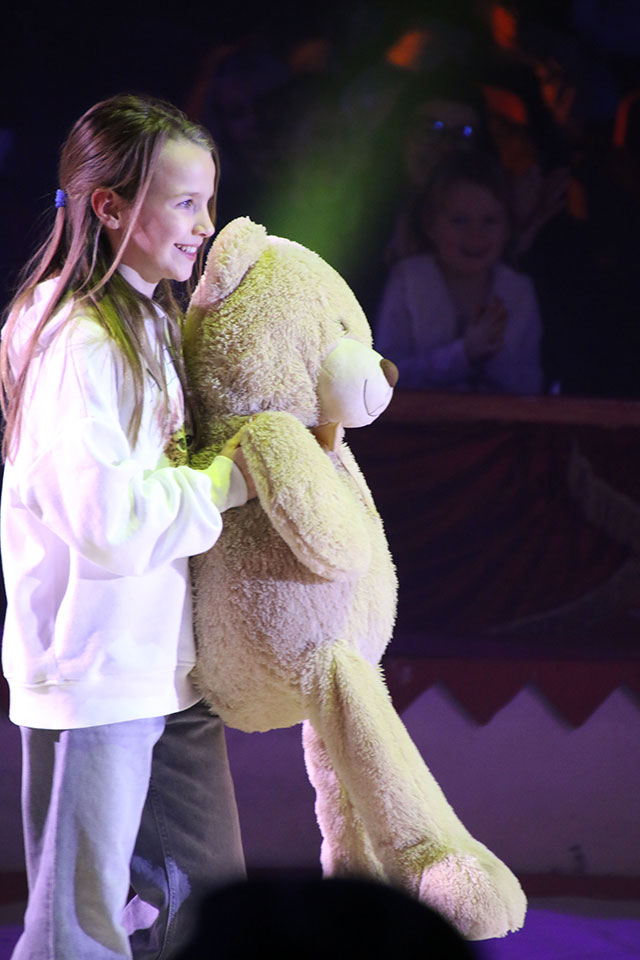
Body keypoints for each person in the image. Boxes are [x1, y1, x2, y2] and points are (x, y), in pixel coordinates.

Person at [0, 93, 255, 960]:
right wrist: (229, 482)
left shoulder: (149, 315)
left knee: (205, 912)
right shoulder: (73, 338)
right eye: (185, 203)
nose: (204, 226)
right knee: (78, 932)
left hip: (166, 671)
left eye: (208, 202)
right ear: (110, 208)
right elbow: (106, 520)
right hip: (99, 674)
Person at [375, 150, 543, 394]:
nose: (475, 235)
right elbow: (385, 375)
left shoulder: (517, 291)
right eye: (459, 220)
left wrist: (487, 355)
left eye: (489, 221)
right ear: (431, 225)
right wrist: (462, 354)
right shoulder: (408, 280)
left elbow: (529, 385)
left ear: (507, 228)